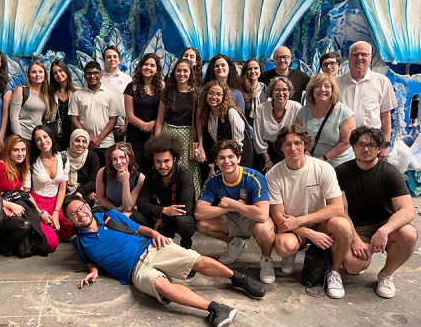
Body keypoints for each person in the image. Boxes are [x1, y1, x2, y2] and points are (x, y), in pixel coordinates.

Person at [63, 195, 267, 327]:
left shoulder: (109, 215)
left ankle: (238, 279)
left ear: (87, 207)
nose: (80, 214)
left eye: (81, 208)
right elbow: (90, 260)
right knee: (162, 286)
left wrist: (156, 234)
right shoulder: (78, 241)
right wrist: (93, 272)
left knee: (196, 260)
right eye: (74, 214)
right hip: (134, 271)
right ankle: (216, 309)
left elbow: (138, 228)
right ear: (71, 219)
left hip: (151, 248)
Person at [267, 124, 352, 299]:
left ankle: (334, 272)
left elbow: (337, 207)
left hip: (319, 223)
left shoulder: (323, 168)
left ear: (305, 144)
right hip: (290, 226)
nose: (293, 148)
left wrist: (301, 221)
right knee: (284, 246)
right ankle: (291, 253)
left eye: (297, 143)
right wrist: (308, 233)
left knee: (342, 225)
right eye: (287, 144)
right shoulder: (274, 174)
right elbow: (277, 216)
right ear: (280, 147)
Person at [337, 126, 417, 298]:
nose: (366, 149)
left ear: (379, 148)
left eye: (372, 145)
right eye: (361, 144)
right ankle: (361, 252)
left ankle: (386, 274)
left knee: (409, 234)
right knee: (353, 266)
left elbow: (408, 210)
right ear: (353, 147)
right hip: (357, 226)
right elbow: (341, 210)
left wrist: (384, 230)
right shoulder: (341, 172)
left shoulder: (390, 173)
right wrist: (356, 240)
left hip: (384, 223)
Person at [195, 140, 276, 284]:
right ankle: (235, 244)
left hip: (252, 219)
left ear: (238, 158)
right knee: (203, 225)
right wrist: (230, 207)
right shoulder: (213, 180)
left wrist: (232, 203)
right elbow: (199, 212)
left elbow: (262, 214)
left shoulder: (254, 178)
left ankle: (266, 259)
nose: (226, 161)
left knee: (264, 228)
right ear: (216, 161)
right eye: (221, 158)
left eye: (231, 157)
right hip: (230, 219)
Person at [0, 135, 47, 257]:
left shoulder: (18, 166)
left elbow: (24, 194)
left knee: (33, 222)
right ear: (8, 150)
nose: (20, 153)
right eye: (16, 150)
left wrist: (40, 212)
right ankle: (2, 243)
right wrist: (12, 206)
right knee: (25, 225)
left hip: (14, 208)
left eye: (23, 150)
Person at [336, 41, 397, 159]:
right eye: (355, 54)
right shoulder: (337, 83)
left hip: (371, 143)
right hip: (342, 143)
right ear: (349, 57)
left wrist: (385, 145)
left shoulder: (382, 82)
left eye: (364, 54)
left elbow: (385, 115)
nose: (359, 58)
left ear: (370, 57)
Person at [136, 134, 196, 249]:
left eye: (166, 161)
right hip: (164, 211)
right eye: (158, 161)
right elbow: (141, 203)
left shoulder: (184, 174)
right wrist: (163, 211)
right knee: (137, 217)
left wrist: (162, 217)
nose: (162, 166)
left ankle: (186, 241)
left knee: (182, 221)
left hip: (181, 217)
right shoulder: (151, 175)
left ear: (174, 159)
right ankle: (148, 243)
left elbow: (185, 208)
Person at [155, 59, 202, 196]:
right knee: (168, 167)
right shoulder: (167, 94)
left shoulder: (196, 94)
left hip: (188, 136)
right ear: (174, 73)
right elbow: (159, 121)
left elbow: (199, 122)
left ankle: (189, 199)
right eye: (178, 70)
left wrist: (200, 143)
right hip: (168, 134)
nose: (182, 74)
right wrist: (157, 144)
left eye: (185, 71)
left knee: (188, 169)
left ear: (190, 73)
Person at [24, 125, 72, 253]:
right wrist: (40, 213)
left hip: (56, 202)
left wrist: (56, 212)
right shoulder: (31, 162)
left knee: (70, 225)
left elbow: (62, 188)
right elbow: (26, 192)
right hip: (37, 203)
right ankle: (41, 233)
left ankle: (46, 232)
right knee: (52, 245)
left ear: (51, 137)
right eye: (38, 139)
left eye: (45, 137)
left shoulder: (63, 158)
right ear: (35, 143)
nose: (43, 141)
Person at [197, 80, 253, 183]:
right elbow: (213, 145)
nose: (214, 97)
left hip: (239, 160)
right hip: (223, 161)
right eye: (211, 93)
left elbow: (238, 144)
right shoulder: (208, 115)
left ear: (224, 97)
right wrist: (212, 166)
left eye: (218, 94)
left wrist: (234, 167)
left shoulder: (231, 113)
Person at [295, 73, 355, 167]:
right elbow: (297, 136)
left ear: (333, 90)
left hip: (339, 165)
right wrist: (307, 156)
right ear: (312, 90)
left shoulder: (344, 113)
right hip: (310, 162)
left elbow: (346, 142)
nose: (322, 89)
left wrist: (323, 158)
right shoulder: (303, 111)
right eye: (317, 86)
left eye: (327, 86)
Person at [69, 61, 121, 167]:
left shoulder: (110, 95)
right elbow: (74, 118)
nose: (92, 76)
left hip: (106, 143)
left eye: (96, 73)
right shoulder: (77, 95)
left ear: (101, 75)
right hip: (84, 144)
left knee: (107, 174)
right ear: (85, 76)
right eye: (89, 73)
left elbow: (113, 119)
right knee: (87, 176)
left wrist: (99, 138)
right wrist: (86, 138)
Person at [124, 53, 164, 171]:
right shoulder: (131, 87)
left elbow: (165, 113)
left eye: (152, 65)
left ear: (157, 70)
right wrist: (144, 126)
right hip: (135, 136)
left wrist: (152, 124)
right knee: (136, 167)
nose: (148, 67)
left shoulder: (162, 87)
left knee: (152, 169)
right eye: (145, 64)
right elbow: (129, 115)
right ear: (140, 67)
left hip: (154, 134)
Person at [253, 77, 302, 173]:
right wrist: (267, 159)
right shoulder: (261, 109)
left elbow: (299, 135)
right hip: (266, 151)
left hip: (289, 150)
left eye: (284, 90)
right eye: (277, 90)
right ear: (271, 92)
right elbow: (257, 137)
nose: (281, 93)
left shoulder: (297, 107)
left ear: (289, 92)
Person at [96, 142, 145, 219]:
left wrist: (125, 182)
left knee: (126, 215)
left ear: (130, 158)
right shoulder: (102, 172)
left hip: (129, 213)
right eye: (114, 159)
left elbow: (128, 207)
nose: (118, 162)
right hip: (110, 208)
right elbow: (100, 197)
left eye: (122, 157)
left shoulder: (140, 178)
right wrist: (116, 209)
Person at [9, 61, 53, 141]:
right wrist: (19, 139)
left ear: (45, 75)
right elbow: (13, 116)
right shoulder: (21, 90)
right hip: (23, 136)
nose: (37, 75)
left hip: (37, 138)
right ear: (29, 75)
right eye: (33, 72)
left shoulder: (46, 94)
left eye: (40, 72)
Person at [102, 45, 132, 142]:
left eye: (115, 56)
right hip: (101, 126)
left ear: (119, 60)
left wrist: (127, 125)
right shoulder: (98, 78)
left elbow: (132, 104)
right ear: (104, 60)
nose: (112, 59)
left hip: (120, 127)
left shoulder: (127, 79)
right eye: (108, 57)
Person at [63, 129, 100, 206]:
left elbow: (94, 180)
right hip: (65, 192)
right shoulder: (63, 156)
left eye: (84, 142)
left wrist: (80, 192)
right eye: (77, 140)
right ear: (71, 141)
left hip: (84, 192)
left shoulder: (91, 156)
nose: (80, 144)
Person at [49, 59, 76, 150]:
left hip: (72, 132)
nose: (59, 74)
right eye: (55, 73)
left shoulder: (77, 91)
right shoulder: (50, 92)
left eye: (61, 71)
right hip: (54, 133)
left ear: (66, 71)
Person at [240, 58, 268, 127]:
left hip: (262, 128)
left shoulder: (266, 90)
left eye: (256, 68)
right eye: (249, 69)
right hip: (245, 129)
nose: (253, 71)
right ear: (245, 71)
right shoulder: (240, 90)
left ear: (260, 71)